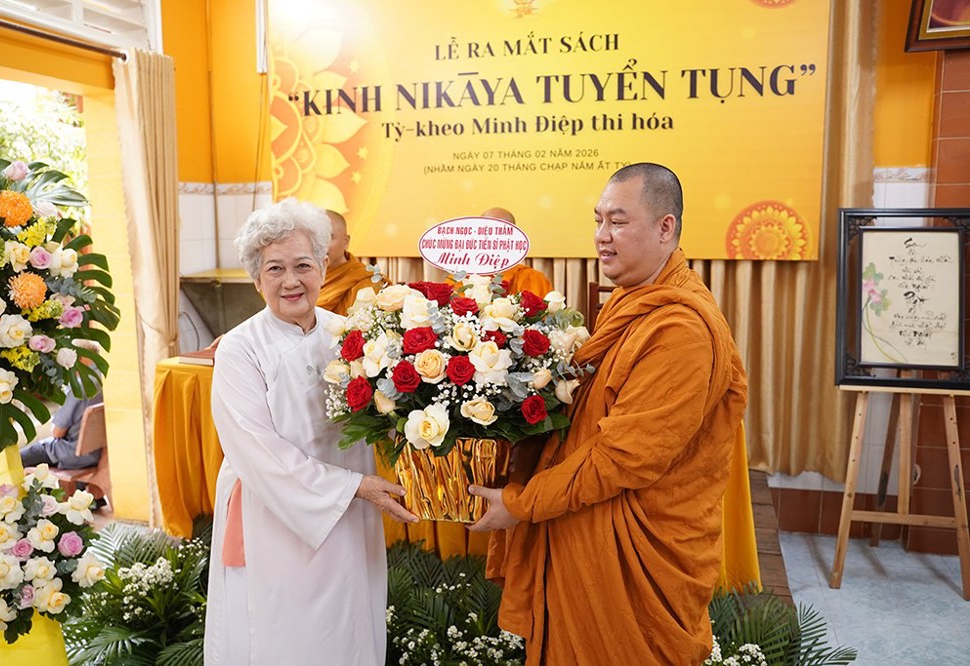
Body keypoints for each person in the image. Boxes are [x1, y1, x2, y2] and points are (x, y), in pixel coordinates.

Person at [470, 164, 748, 665]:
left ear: (665, 228)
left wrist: (523, 503)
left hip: (634, 555)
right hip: (584, 533)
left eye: (618, 222)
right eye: (598, 220)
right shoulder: (632, 299)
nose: (601, 236)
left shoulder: (681, 329)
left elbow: (623, 458)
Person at [205, 198, 418, 665]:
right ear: (256, 278)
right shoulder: (241, 349)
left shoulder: (350, 336)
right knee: (287, 634)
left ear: (323, 266)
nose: (291, 281)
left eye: (302, 265)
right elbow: (256, 450)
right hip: (276, 516)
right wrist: (354, 487)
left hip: (353, 513)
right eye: (275, 268)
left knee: (352, 624)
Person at [19, 340, 103, 470]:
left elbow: (57, 432)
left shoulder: (79, 386)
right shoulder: (104, 379)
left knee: (16, 459)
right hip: (97, 453)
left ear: (82, 358)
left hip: (70, 453)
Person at [316, 209, 384, 315]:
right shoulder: (300, 279)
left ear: (346, 242)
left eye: (328, 237)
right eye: (315, 238)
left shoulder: (367, 281)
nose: (320, 245)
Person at [481, 206, 554, 296]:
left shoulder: (533, 279)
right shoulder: (466, 279)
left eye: (503, 231)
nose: (495, 237)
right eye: (488, 230)